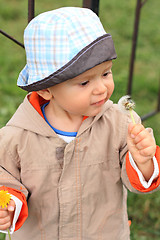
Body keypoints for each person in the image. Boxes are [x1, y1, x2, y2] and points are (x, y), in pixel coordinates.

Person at [0, 7, 160, 240]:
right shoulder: (16, 137)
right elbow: (5, 177)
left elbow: (138, 182)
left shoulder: (120, 124)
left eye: (106, 73)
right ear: (45, 90)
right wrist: (8, 204)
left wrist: (143, 160)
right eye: (84, 82)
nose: (101, 88)